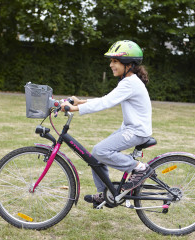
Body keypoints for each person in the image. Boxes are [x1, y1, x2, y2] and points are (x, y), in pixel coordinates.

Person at [61, 40, 153, 208]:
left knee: (100, 151)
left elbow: (106, 103)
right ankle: (105, 194)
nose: (111, 65)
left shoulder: (130, 83)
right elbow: (106, 99)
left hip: (137, 131)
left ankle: (139, 168)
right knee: (96, 156)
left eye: (115, 61)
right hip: (131, 129)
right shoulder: (128, 81)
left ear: (128, 64)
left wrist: (75, 108)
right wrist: (80, 102)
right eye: (111, 61)